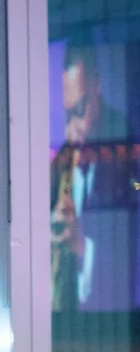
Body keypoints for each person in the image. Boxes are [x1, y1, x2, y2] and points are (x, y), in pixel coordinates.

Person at [50, 46, 137, 312]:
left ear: (97, 86)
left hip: (112, 320)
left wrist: (82, 246)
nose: (74, 127)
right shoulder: (62, 160)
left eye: (80, 109)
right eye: (67, 114)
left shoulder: (124, 147)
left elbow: (130, 251)